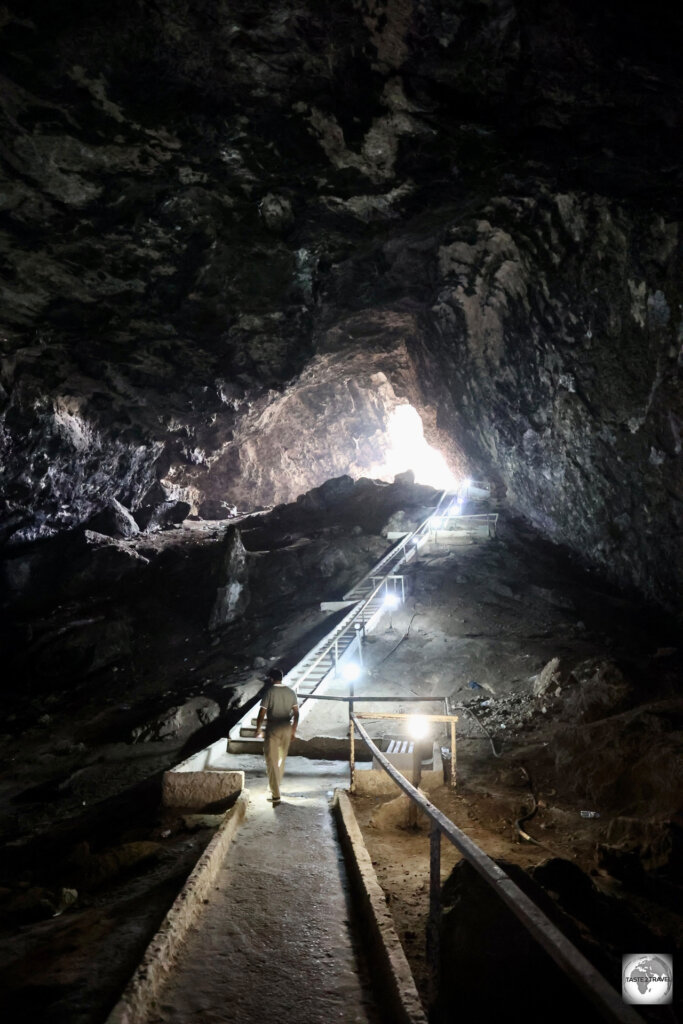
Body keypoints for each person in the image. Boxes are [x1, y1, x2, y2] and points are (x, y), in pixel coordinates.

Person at [254, 668, 299, 806]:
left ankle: (276, 795)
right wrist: (293, 731)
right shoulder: (291, 692)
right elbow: (297, 714)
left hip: (273, 728)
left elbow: (262, 712)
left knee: (272, 760)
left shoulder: (270, 692)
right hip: (286, 728)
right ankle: (276, 786)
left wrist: (258, 728)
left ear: (271, 679)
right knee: (281, 759)